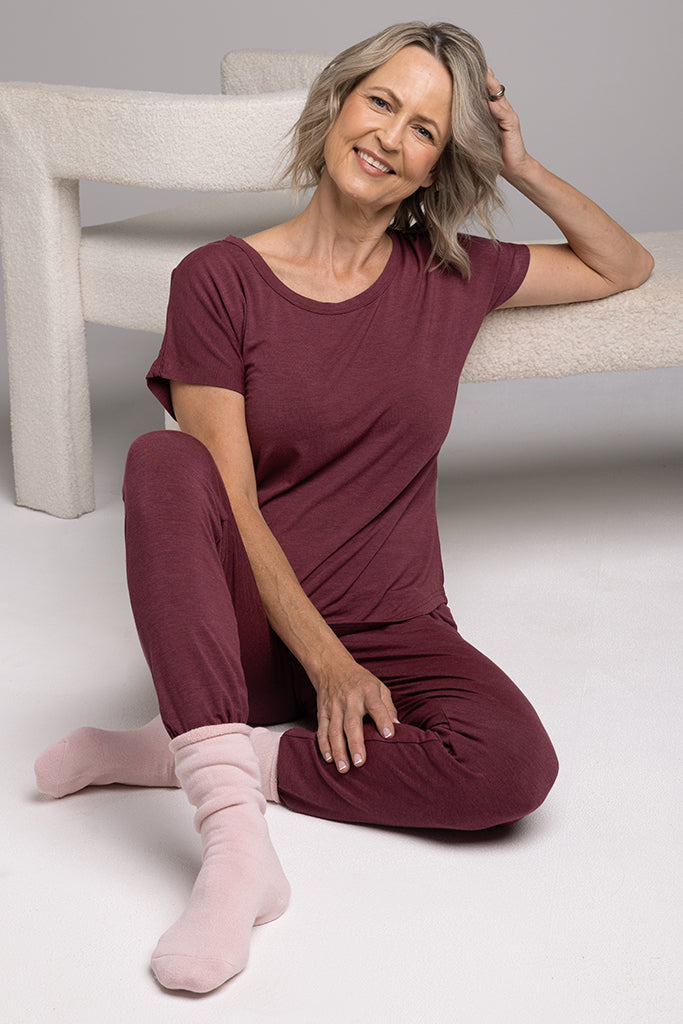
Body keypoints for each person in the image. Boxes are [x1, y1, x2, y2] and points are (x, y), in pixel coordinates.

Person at [34, 21, 653, 994]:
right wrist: (323, 663)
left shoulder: (452, 273)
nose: (388, 135)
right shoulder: (219, 280)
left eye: (423, 128)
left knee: (513, 769)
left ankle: (211, 751)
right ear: (335, 106)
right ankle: (234, 847)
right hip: (245, 628)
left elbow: (622, 265)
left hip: (393, 622)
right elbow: (227, 496)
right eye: (380, 102)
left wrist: (520, 162)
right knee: (167, 464)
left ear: (436, 165)